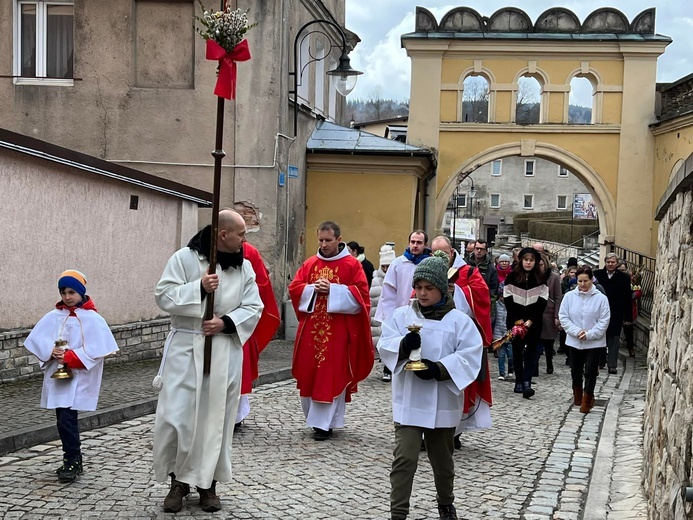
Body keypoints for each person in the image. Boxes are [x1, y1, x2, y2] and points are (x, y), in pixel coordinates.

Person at [153, 209, 263, 513]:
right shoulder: (184, 259)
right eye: (240, 234)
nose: (244, 240)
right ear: (222, 234)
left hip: (223, 351)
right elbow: (163, 296)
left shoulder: (245, 267)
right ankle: (178, 481)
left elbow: (255, 306)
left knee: (215, 421)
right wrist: (199, 288)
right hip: (186, 348)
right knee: (179, 417)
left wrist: (226, 322)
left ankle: (208, 485)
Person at [378, 252, 483, 520]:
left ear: (442, 289)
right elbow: (385, 343)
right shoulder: (403, 316)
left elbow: (470, 355)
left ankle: (446, 504)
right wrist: (402, 346)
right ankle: (398, 512)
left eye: (429, 288)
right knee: (404, 459)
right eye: (418, 287)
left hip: (442, 401)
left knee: (443, 461)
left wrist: (439, 369)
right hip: (410, 400)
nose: (422, 294)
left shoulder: (459, 321)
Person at [24, 270, 119, 483]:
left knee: (68, 417)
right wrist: (51, 351)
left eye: (72, 292)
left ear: (81, 293)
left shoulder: (93, 318)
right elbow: (37, 339)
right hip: (58, 375)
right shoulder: (53, 316)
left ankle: (73, 459)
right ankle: (72, 458)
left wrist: (73, 356)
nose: (67, 297)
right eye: (63, 292)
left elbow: (99, 349)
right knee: (63, 418)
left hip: (79, 374)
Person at [289, 221, 373, 441]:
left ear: (338, 239)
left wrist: (334, 290)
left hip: (337, 333)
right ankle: (315, 420)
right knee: (310, 374)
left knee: (331, 375)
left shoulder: (352, 265)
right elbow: (295, 288)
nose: (324, 244)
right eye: (320, 240)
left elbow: (362, 298)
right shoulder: (310, 264)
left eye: (328, 240)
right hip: (311, 332)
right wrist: (310, 289)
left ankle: (324, 424)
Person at [431, 235, 493, 443]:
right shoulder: (426, 271)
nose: (439, 258)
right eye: (434, 253)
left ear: (452, 252)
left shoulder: (468, 272)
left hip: (458, 338)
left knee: (458, 382)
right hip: (433, 338)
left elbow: (482, 296)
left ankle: (455, 431)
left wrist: (456, 290)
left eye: (444, 253)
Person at [375, 230, 431, 381]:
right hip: (400, 310)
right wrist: (389, 315)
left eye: (419, 242)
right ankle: (389, 368)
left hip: (422, 312)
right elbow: (388, 291)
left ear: (425, 244)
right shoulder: (398, 263)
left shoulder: (429, 263)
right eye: (412, 242)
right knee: (395, 341)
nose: (415, 245)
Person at [235, 242, 281, 429]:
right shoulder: (204, 247)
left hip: (238, 320)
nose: (241, 238)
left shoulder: (249, 252)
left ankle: (236, 416)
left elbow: (261, 283)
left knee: (239, 368)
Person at [559, 266, 611, 413]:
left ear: (591, 280)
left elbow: (604, 320)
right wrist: (576, 331)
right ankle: (577, 396)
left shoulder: (601, 298)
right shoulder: (569, 296)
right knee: (575, 370)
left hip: (594, 342)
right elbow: (564, 316)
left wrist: (589, 334)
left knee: (590, 371)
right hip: (574, 340)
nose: (582, 284)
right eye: (580, 281)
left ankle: (587, 400)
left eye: (585, 281)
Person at [503, 247, 548, 399]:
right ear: (520, 260)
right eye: (526, 260)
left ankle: (527, 381)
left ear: (535, 262)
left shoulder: (541, 279)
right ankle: (519, 380)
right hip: (515, 321)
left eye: (531, 260)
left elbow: (542, 303)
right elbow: (508, 300)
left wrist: (530, 321)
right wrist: (518, 321)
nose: (528, 263)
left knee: (532, 352)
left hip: (534, 322)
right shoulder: (511, 277)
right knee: (517, 351)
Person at [594, 253, 633, 375]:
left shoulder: (624, 277)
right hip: (599, 311)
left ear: (617, 263)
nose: (610, 264)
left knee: (614, 338)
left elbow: (627, 298)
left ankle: (612, 365)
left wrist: (628, 316)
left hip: (616, 311)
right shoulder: (597, 275)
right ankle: (600, 361)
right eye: (608, 262)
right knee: (599, 336)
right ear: (605, 262)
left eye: (613, 262)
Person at [371, 243, 397, 381]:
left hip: (394, 315)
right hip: (380, 315)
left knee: (392, 343)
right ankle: (386, 368)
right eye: (384, 266)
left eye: (388, 266)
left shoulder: (398, 275)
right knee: (382, 344)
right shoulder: (376, 277)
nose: (386, 269)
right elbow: (371, 297)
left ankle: (389, 369)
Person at [537, 254, 562, 375]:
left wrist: (556, 315)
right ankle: (534, 366)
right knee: (535, 341)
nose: (539, 267)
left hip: (549, 312)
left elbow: (558, 297)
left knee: (548, 342)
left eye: (541, 265)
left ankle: (549, 363)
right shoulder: (533, 276)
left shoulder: (554, 277)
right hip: (536, 312)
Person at [618, 262, 641, 358]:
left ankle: (630, 348)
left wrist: (634, 295)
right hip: (618, 308)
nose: (622, 271)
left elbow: (638, 291)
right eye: (620, 270)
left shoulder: (631, 280)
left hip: (629, 308)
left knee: (629, 331)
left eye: (623, 270)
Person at [467, 240, 499, 308]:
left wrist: (489, 307)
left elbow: (493, 291)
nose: (479, 251)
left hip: (483, 304)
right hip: (467, 303)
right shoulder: (466, 264)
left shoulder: (491, 268)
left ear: (486, 251)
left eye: (481, 249)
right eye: (477, 248)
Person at [492, 282, 513, 381]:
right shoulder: (496, 305)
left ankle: (511, 369)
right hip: (498, 334)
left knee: (511, 355)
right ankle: (501, 372)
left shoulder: (513, 306)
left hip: (510, 334)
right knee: (501, 355)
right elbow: (493, 319)